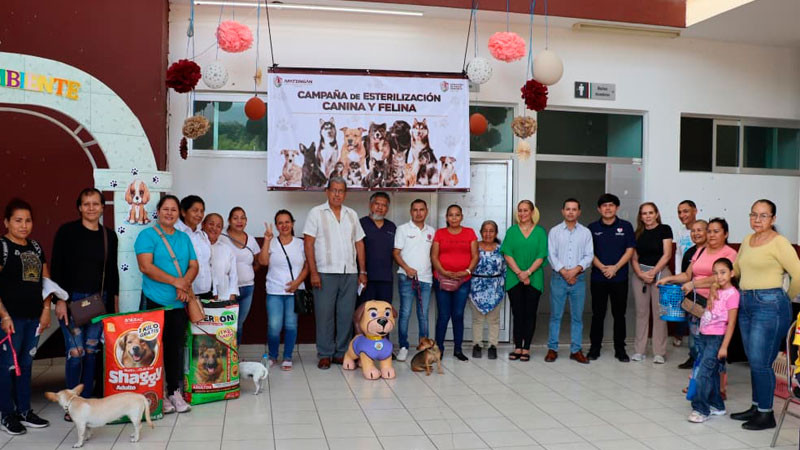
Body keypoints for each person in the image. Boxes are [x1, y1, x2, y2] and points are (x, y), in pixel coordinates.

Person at [728, 199, 800, 430]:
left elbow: (798, 274)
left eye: (763, 215)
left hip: (771, 304)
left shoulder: (780, 243)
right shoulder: (748, 240)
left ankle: (766, 414)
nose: (757, 220)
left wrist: (785, 298)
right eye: (753, 215)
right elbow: (737, 269)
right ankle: (757, 405)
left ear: (773, 219)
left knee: (761, 362)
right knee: (755, 360)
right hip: (747, 301)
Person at [51, 188, 119, 416]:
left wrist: (114, 309)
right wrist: (58, 300)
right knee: (75, 353)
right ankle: (71, 405)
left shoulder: (109, 235)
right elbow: (56, 268)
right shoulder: (67, 232)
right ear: (79, 207)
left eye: (96, 204)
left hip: (99, 302)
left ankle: (86, 402)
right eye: (86, 204)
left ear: (102, 207)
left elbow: (112, 273)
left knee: (91, 351)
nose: (91, 208)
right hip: (71, 301)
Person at [134, 195, 197, 414]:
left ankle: (174, 392)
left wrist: (184, 284)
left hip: (178, 304)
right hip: (154, 301)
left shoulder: (184, 238)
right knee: (152, 350)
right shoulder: (146, 236)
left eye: (173, 210)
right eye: (165, 209)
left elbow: (193, 265)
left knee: (175, 349)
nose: (169, 213)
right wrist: (176, 282)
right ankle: (157, 392)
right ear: (158, 212)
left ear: (179, 213)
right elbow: (145, 267)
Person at [0, 199, 52, 435]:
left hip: (33, 318)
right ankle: (7, 414)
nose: (23, 225)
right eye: (18, 220)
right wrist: (4, 316)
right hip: (10, 319)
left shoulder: (36, 247)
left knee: (26, 364)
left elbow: (46, 282)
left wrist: (45, 311)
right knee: (7, 367)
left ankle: (24, 410)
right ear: (7, 222)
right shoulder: (2, 247)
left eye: (28, 220)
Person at [303, 177, 366, 369]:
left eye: (341, 191)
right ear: (327, 191)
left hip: (349, 273)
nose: (337, 194)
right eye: (334, 190)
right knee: (324, 315)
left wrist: (362, 271)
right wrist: (313, 272)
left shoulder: (352, 214)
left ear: (345, 193)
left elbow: (359, 243)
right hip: (324, 272)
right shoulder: (316, 213)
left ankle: (341, 353)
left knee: (346, 315)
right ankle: (325, 353)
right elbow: (308, 243)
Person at [687, 258, 739, 423]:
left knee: (703, 373)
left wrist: (724, 346)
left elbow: (731, 323)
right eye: (715, 273)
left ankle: (701, 409)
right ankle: (717, 405)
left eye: (723, 272)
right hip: (704, 334)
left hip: (717, 338)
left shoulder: (733, 294)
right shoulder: (714, 289)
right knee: (712, 373)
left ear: (732, 273)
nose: (719, 276)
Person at [587, 193, 635, 363]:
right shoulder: (592, 228)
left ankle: (620, 350)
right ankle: (594, 349)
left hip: (619, 278)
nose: (608, 208)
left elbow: (630, 250)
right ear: (599, 209)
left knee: (619, 315)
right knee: (597, 315)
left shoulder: (626, 226)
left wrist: (615, 268)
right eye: (604, 206)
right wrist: (602, 267)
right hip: (598, 279)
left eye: (611, 205)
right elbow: (589, 252)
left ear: (617, 208)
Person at [546, 198, 593, 364]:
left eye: (574, 209)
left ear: (579, 212)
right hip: (559, 278)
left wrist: (574, 271)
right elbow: (551, 255)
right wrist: (565, 272)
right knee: (555, 316)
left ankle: (576, 350)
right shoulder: (554, 231)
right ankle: (552, 349)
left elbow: (589, 255)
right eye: (568, 209)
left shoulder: (586, 233)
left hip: (578, 279)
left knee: (577, 317)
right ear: (563, 211)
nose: (571, 212)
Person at [259, 210, 307, 371]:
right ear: (277, 226)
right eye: (280, 222)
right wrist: (266, 240)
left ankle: (287, 357)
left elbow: (308, 265)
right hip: (274, 291)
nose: (284, 225)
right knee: (274, 326)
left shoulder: (300, 243)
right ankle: (273, 355)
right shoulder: (272, 242)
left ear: (292, 223)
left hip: (295, 291)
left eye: (287, 222)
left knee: (291, 325)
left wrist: (298, 282)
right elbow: (263, 262)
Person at [502, 200, 547, 362]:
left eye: (525, 210)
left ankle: (526, 347)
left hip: (534, 279)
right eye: (520, 211)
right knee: (517, 313)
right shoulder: (512, 231)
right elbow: (507, 254)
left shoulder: (540, 232)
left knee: (530, 314)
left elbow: (542, 255)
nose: (522, 214)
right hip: (514, 278)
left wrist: (527, 273)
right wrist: (520, 273)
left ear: (532, 212)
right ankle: (517, 347)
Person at [431, 204, 478, 361]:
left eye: (457, 215)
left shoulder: (469, 233)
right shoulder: (440, 233)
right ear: (446, 217)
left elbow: (475, 256)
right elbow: (434, 256)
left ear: (462, 217)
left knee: (458, 315)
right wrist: (443, 272)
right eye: (451, 215)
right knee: (443, 315)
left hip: (463, 280)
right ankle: (439, 349)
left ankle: (458, 349)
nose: (454, 218)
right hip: (442, 279)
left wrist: (466, 272)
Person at [393, 199, 436, 362]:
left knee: (423, 315)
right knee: (404, 313)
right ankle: (403, 346)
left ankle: (424, 348)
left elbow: (433, 255)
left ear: (426, 212)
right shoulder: (402, 229)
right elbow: (396, 253)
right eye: (415, 210)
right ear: (411, 212)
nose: (418, 213)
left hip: (426, 279)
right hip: (406, 277)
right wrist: (407, 268)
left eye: (422, 210)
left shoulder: (431, 231)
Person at [631, 202, 673, 363]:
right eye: (644, 213)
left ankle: (659, 352)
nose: (647, 216)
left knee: (659, 313)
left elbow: (667, 254)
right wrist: (641, 274)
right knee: (641, 313)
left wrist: (653, 273)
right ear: (640, 216)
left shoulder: (665, 229)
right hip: (640, 275)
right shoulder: (636, 234)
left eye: (650, 213)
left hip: (661, 274)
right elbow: (634, 258)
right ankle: (639, 350)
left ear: (656, 214)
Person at [220, 207, 262, 345]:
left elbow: (258, 262)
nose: (239, 221)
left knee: (239, 324)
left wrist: (247, 274)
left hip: (247, 288)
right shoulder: (221, 237)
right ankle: (225, 355)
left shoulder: (251, 240)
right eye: (235, 218)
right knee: (227, 324)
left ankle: (234, 357)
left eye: (242, 218)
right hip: (228, 290)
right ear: (229, 221)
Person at [470, 220, 506, 360]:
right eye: (485, 230)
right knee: (477, 319)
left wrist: (503, 286)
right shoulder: (475, 247)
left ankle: (493, 346)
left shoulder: (501, 248)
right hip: (477, 287)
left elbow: (505, 268)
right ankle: (477, 345)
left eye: (491, 231)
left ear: (496, 233)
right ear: (481, 232)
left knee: (494, 319)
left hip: (495, 287)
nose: (488, 233)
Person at [359, 192, 396, 304]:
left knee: (384, 313)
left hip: (386, 279)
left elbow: (396, 251)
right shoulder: (361, 223)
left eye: (384, 205)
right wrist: (361, 273)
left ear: (387, 209)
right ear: (370, 205)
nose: (380, 208)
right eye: (377, 204)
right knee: (365, 313)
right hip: (366, 278)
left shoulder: (391, 226)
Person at [672, 200, 698, 347]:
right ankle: (680, 334)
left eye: (686, 211)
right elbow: (678, 254)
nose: (682, 215)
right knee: (683, 307)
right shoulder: (680, 231)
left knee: (695, 311)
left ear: (695, 211)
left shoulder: (703, 229)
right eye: (679, 212)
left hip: (699, 278)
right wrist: (677, 275)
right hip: (684, 276)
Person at [176, 195, 212, 299]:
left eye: (202, 211)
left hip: (206, 291)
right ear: (183, 212)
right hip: (185, 291)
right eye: (195, 210)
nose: (199, 214)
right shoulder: (176, 234)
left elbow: (209, 263)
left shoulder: (203, 236)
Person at [201, 213, 239, 302]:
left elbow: (233, 274)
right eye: (211, 224)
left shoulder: (227, 249)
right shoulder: (196, 246)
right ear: (203, 225)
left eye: (218, 226)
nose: (214, 228)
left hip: (224, 297)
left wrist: (232, 295)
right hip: (201, 297)